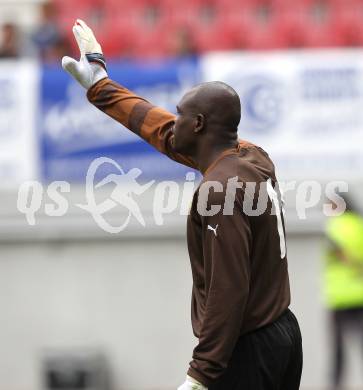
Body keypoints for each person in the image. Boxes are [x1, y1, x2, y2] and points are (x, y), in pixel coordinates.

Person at [61, 19, 303, 390]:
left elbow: (228, 288)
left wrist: (201, 373)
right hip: (283, 331)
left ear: (200, 125)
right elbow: (159, 128)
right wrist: (100, 86)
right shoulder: (253, 157)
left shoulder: (218, 192)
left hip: (247, 348)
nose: (175, 123)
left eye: (182, 116)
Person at [323, 194, 363, 390]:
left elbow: (335, 253)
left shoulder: (335, 227)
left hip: (339, 297)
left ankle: (335, 385)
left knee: (338, 348)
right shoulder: (359, 225)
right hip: (360, 295)